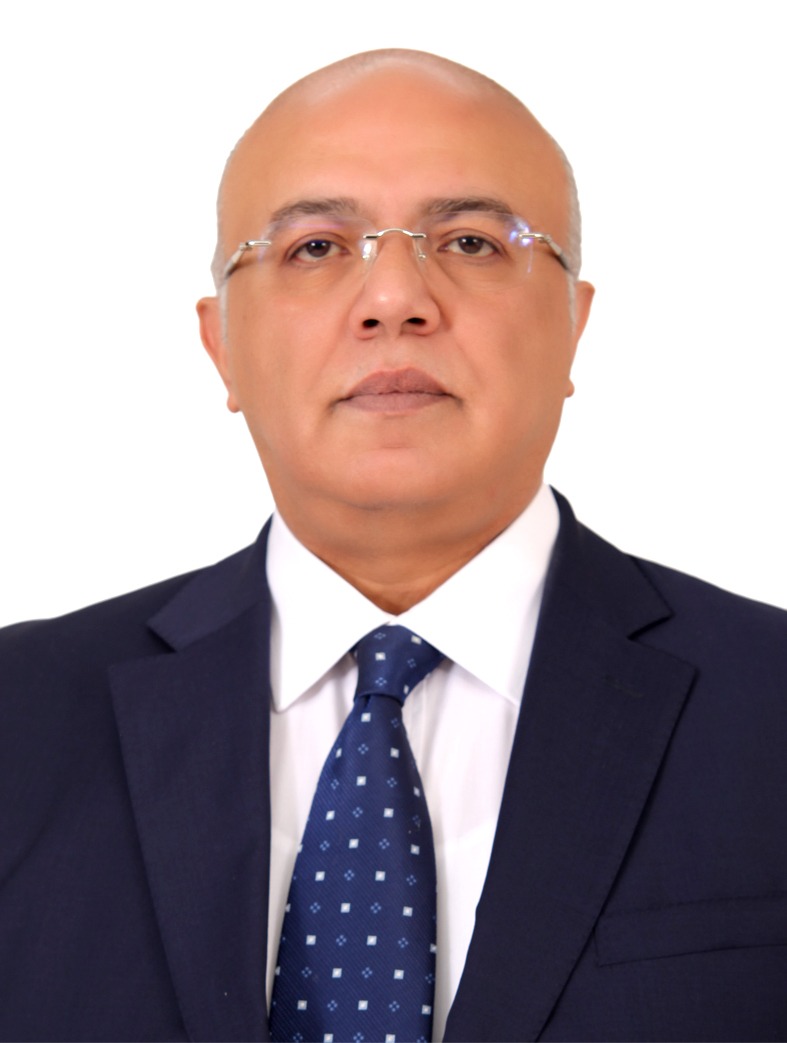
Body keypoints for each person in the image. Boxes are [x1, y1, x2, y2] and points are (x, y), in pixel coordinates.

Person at [1, 48, 785, 1043]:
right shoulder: (20, 719)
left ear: (573, 325)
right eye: (315, 248)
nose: (394, 298)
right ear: (221, 345)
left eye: (470, 241)